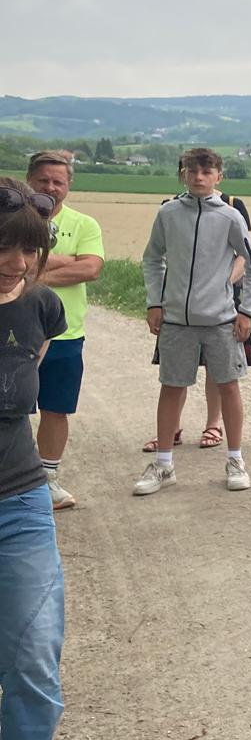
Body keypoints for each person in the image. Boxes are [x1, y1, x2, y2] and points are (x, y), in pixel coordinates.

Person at [0, 176, 91, 740]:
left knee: (34, 650)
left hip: (19, 498)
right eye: (4, 247)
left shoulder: (40, 306)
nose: (17, 262)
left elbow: (26, 376)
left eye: (29, 249)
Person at [134, 148, 251, 496]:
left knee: (229, 386)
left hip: (221, 320)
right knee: (171, 386)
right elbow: (152, 259)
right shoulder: (168, 213)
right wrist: (154, 302)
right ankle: (163, 465)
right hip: (176, 319)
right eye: (192, 171)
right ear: (183, 175)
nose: (199, 177)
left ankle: (235, 460)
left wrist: (246, 311)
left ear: (219, 176)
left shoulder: (230, 216)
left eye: (207, 171)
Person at [25, 151, 103, 511]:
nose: (51, 187)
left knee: (56, 409)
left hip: (65, 334)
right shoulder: (12, 218)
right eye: (44, 180)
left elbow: (90, 269)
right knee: (9, 409)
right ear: (30, 180)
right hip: (15, 331)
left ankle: (47, 479)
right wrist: (66, 260)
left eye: (58, 181)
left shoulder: (84, 224)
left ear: (69, 184)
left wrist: (33, 272)